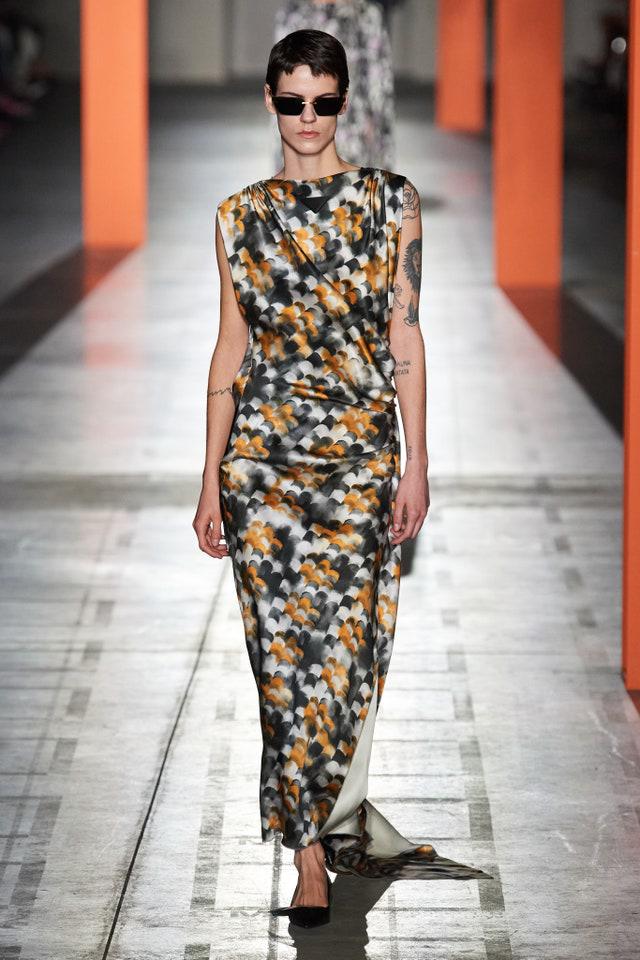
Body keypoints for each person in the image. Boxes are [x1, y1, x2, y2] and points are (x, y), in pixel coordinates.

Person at [193, 27, 493, 929]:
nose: (309, 117)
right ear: (271, 101)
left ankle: (328, 820)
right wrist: (208, 480)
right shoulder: (238, 217)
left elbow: (406, 339)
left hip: (362, 464)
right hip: (263, 473)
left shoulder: (391, 204)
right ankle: (308, 856)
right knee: (283, 669)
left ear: (345, 102)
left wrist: (418, 463)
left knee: (352, 659)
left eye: (324, 102)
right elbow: (230, 349)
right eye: (293, 101)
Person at [273, 0, 395, 169]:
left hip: (355, 128)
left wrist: (376, 134)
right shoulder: (293, 15)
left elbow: (379, 83)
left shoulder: (367, 16)